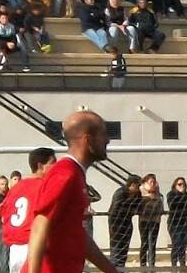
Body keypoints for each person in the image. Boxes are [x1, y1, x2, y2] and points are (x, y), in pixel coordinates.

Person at [25, 111, 119, 273]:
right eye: (104, 134)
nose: (108, 140)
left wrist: (112, 270)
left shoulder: (76, 174)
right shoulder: (65, 173)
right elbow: (40, 224)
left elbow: (79, 237)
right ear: (88, 139)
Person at [0, 149, 57, 273]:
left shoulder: (16, 188)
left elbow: (3, 215)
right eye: (53, 163)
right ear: (40, 166)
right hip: (35, 246)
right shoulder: (44, 186)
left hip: (15, 249)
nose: (56, 166)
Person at [107, 176, 142, 269]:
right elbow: (116, 209)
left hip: (127, 222)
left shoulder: (138, 194)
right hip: (116, 223)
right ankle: (113, 268)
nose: (139, 188)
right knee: (116, 246)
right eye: (138, 185)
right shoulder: (120, 192)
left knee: (125, 247)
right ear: (132, 185)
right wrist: (130, 208)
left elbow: (139, 206)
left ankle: (121, 267)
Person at [165, 178, 187, 271]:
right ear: (175, 185)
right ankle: (174, 265)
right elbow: (172, 205)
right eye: (179, 184)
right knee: (176, 244)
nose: (182, 186)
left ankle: (182, 264)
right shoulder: (171, 194)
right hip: (174, 223)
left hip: (184, 223)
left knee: (183, 245)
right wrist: (181, 194)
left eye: (183, 184)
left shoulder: (186, 195)